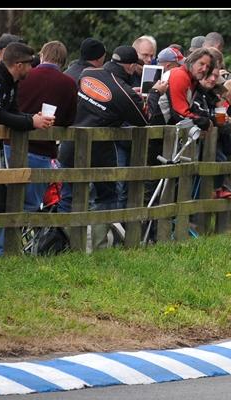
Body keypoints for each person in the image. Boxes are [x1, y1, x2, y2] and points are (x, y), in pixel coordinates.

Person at [58, 45, 151, 248]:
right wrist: (152, 96)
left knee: (68, 194)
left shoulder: (84, 73)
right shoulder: (123, 91)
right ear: (130, 66)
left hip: (68, 145)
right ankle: (98, 247)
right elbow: (144, 120)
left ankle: (74, 246)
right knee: (106, 195)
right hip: (100, 151)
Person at [0, 41, 54, 256]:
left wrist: (32, 118)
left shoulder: (12, 79)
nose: (33, 69)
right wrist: (31, 123)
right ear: (19, 64)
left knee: (0, 199)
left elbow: (12, 110)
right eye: (30, 65)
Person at [16, 40, 77, 212]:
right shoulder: (68, 83)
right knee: (30, 205)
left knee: (10, 201)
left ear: (42, 55)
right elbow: (69, 120)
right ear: (63, 61)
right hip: (42, 149)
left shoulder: (25, 76)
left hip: (12, 144)